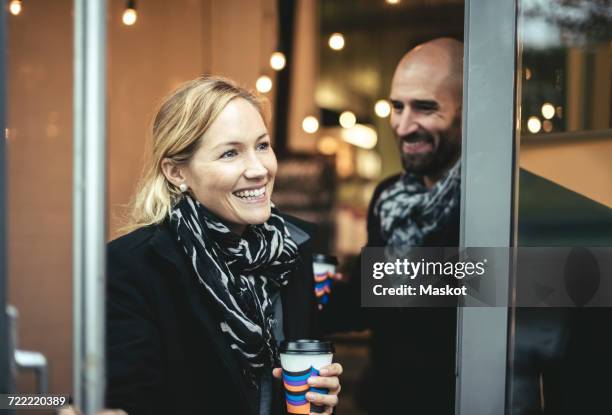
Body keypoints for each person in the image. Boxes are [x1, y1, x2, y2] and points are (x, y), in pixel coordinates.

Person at [106, 76, 342, 415]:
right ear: (176, 172)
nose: (259, 169)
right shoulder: (133, 266)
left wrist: (323, 396)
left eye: (262, 146)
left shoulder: (292, 248)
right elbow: (127, 400)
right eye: (230, 153)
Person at [323, 37, 463, 414]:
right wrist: (300, 289)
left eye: (425, 108)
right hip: (384, 400)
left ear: (469, 110)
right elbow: (365, 303)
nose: (402, 126)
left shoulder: (493, 203)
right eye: (397, 107)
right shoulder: (388, 199)